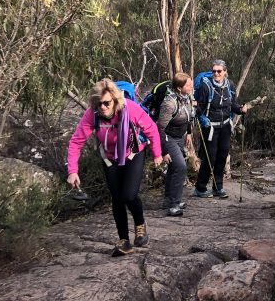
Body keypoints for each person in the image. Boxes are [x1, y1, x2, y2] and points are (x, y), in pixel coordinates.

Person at [66, 78, 163, 256]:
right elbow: (76, 142)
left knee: (129, 194)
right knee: (117, 198)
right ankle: (124, 241)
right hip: (110, 157)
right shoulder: (92, 115)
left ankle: (140, 223)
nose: (102, 107)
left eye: (106, 103)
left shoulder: (130, 109)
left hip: (133, 153)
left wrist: (157, 154)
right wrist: (73, 170)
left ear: (115, 100)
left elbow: (151, 129)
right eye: (98, 103)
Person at [193, 59, 248, 199]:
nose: (216, 73)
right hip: (210, 127)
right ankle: (200, 188)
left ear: (225, 72)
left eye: (219, 71)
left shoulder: (230, 85)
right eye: (214, 71)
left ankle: (218, 187)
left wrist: (241, 109)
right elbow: (199, 107)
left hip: (225, 126)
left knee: (222, 156)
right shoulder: (206, 87)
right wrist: (200, 116)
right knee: (210, 157)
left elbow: (233, 105)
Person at [157, 72, 196, 216]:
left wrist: (190, 133)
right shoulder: (169, 102)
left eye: (191, 82)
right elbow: (159, 128)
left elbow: (190, 117)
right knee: (180, 167)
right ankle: (174, 204)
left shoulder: (188, 98)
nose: (191, 85)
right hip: (168, 138)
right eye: (188, 84)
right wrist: (164, 151)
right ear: (179, 88)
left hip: (180, 137)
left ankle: (168, 199)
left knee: (174, 168)